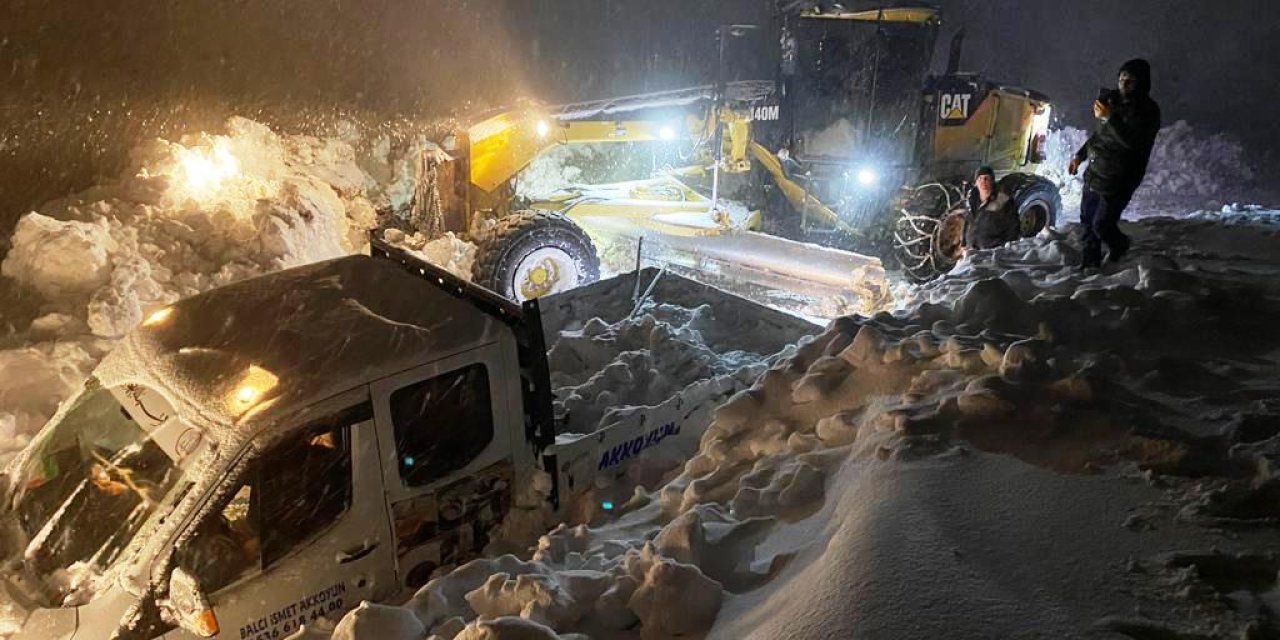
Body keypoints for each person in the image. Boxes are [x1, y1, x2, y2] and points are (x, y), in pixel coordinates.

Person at [1069, 59, 1162, 268]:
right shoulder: (1112, 101)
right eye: (1121, 79)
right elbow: (1099, 136)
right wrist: (1079, 156)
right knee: (1086, 221)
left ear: (1142, 83)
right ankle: (1089, 264)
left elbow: (1133, 142)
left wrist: (1110, 118)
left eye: (1130, 81)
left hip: (1121, 178)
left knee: (1101, 224)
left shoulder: (1148, 111)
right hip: (1096, 171)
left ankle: (1120, 245)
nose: (1124, 84)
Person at [962, 166, 1021, 255]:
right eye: (980, 178)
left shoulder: (1004, 201)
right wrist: (964, 243)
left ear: (992, 181)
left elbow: (1013, 231)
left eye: (987, 178)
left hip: (991, 255)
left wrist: (1003, 253)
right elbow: (967, 222)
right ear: (976, 182)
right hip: (971, 251)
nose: (983, 182)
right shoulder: (971, 200)